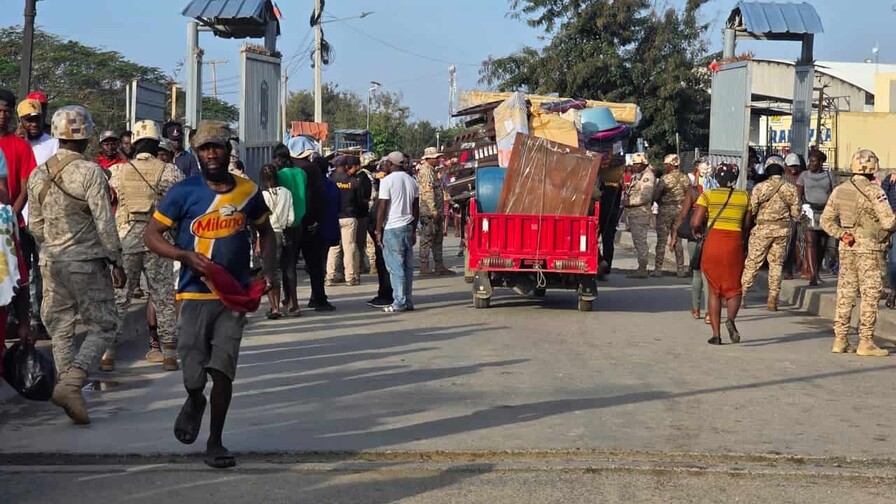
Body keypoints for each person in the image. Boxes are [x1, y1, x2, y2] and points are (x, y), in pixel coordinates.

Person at [145, 120, 276, 469]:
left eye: (217, 146)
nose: (212, 153)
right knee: (193, 373)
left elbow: (267, 232)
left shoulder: (248, 191)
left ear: (228, 149)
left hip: (232, 296)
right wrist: (183, 255)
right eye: (204, 148)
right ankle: (193, 400)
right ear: (196, 153)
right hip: (192, 295)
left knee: (222, 371)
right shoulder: (183, 192)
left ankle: (215, 440)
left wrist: (267, 271)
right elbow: (152, 235)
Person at [27, 105, 126, 424]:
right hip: (86, 262)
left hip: (50, 263)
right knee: (104, 324)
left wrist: (53, 244)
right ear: (86, 137)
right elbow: (104, 222)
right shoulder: (90, 171)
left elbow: (35, 226)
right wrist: (115, 259)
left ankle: (70, 393)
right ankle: (72, 383)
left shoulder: (37, 173)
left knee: (60, 329)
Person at [104, 119, 183, 371]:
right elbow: (180, 202)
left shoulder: (118, 171)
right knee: (162, 295)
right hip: (158, 237)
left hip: (126, 237)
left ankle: (108, 354)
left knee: (120, 298)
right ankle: (169, 353)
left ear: (135, 144)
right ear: (156, 141)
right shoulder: (170, 171)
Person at [821, 149, 896, 357]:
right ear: (873, 169)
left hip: (847, 247)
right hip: (870, 249)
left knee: (845, 293)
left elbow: (825, 221)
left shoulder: (840, 190)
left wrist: (841, 234)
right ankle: (866, 341)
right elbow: (888, 221)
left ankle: (840, 339)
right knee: (870, 295)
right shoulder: (875, 192)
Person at [690, 163, 751, 345]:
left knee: (714, 290)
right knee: (734, 287)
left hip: (713, 243)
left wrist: (699, 230)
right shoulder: (744, 196)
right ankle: (730, 319)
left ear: (716, 178)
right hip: (734, 243)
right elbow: (747, 223)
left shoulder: (708, 195)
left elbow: (695, 222)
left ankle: (716, 335)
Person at [740, 155, 800, 311]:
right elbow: (796, 213)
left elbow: (751, 209)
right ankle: (773, 298)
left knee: (752, 263)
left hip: (762, 230)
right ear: (782, 170)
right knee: (776, 265)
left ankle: (742, 296)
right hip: (782, 231)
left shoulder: (759, 188)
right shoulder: (791, 188)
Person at [17, 98, 55, 339]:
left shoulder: (53, 145)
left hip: (45, 219)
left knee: (44, 272)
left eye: (36, 119)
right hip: (17, 218)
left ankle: (43, 319)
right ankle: (22, 318)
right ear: (20, 121)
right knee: (21, 272)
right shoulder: (14, 145)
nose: (33, 123)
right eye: (28, 120)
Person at [289, 136, 334, 311]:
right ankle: (318, 299)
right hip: (309, 224)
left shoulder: (286, 169)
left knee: (289, 265)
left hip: (290, 223)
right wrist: (317, 220)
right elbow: (318, 197)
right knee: (315, 265)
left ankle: (290, 301)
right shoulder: (312, 169)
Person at [376, 152, 419, 313]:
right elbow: (416, 207)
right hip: (407, 226)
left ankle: (399, 301)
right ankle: (407, 300)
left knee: (396, 267)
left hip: (392, 227)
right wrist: (414, 229)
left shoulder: (387, 181)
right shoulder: (412, 181)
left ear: (391, 164)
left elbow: (382, 206)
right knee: (407, 267)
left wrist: (378, 229)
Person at [273, 142, 306, 316]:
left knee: (280, 267)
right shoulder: (301, 173)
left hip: (282, 225)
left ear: (279, 159)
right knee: (291, 264)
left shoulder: (279, 176)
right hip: (298, 223)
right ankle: (291, 300)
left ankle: (290, 302)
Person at [671, 175, 709, 323]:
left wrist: (675, 234)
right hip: (712, 235)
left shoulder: (693, 191)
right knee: (709, 276)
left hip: (696, 235)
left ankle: (696, 309)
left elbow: (684, 214)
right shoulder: (718, 192)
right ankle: (709, 312)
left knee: (697, 273)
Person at [259, 164, 294, 319]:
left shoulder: (263, 196)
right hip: (280, 233)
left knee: (267, 272)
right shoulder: (286, 193)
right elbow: (291, 219)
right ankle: (277, 305)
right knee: (277, 271)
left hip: (266, 235)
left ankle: (273, 307)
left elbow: (259, 221)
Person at [797, 150, 834, 286]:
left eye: (814, 161)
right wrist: (799, 210)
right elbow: (798, 194)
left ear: (820, 162)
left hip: (824, 211)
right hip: (808, 210)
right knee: (811, 242)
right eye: (810, 161)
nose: (811, 164)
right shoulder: (804, 176)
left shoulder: (829, 176)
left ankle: (817, 270)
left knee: (822, 244)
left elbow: (833, 192)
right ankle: (813, 275)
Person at [326, 155, 364, 286]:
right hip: (349, 217)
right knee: (349, 248)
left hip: (333, 217)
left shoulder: (330, 180)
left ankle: (330, 276)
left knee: (333, 248)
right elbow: (359, 201)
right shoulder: (354, 181)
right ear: (346, 166)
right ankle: (350, 277)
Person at [417, 147, 454, 276]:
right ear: (429, 158)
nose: (438, 160)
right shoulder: (426, 171)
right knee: (427, 238)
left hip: (436, 210)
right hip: (429, 211)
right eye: (436, 158)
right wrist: (433, 211)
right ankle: (424, 265)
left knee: (438, 238)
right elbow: (428, 193)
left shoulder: (432, 171)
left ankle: (439, 265)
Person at [653, 154, 691, 278]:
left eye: (666, 164)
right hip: (680, 210)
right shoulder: (686, 178)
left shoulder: (665, 178)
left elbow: (657, 195)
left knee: (661, 240)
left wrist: (658, 201)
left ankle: (658, 269)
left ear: (670, 165)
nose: (665, 166)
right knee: (678, 240)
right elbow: (689, 194)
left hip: (665, 210)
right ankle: (680, 270)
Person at [623, 152, 654, 279]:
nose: (634, 166)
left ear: (643, 164)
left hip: (640, 213)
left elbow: (645, 196)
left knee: (640, 241)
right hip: (634, 213)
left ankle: (642, 268)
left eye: (637, 164)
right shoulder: (637, 176)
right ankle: (641, 266)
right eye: (634, 164)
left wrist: (629, 202)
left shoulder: (647, 177)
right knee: (637, 240)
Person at [367, 168, 393, 308]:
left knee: (384, 264)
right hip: (386, 231)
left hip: (384, 232)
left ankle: (387, 294)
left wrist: (376, 231)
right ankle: (389, 293)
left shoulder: (383, 197)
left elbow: (377, 214)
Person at [356, 152, 377, 274]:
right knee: (368, 240)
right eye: (372, 162)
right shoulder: (363, 177)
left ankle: (362, 264)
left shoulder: (369, 176)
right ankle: (372, 264)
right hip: (367, 210)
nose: (375, 164)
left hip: (368, 209)